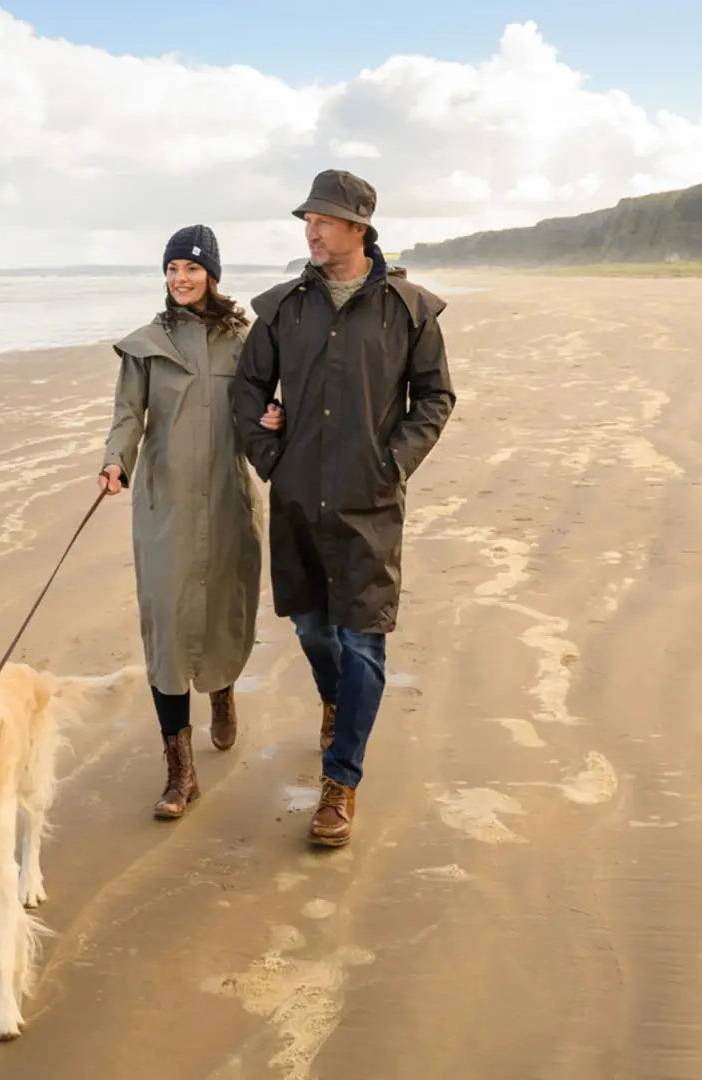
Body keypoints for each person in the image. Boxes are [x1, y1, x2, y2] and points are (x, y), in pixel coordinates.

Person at [232, 170, 455, 846]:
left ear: (359, 227)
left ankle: (340, 781)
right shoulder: (282, 308)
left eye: (325, 220)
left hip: (370, 506)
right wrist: (271, 459)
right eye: (309, 219)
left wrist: (395, 462)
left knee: (363, 643)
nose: (312, 230)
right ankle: (335, 704)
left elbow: (435, 397)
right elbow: (246, 390)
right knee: (313, 632)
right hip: (298, 500)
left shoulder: (409, 310)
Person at [99, 225, 283, 819]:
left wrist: (277, 416)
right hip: (165, 505)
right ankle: (180, 771)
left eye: (192, 268)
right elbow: (128, 416)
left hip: (229, 495)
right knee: (168, 625)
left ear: (212, 274)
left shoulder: (244, 340)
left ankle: (223, 692)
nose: (180, 278)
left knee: (227, 606)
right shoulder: (147, 344)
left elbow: (268, 400)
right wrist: (113, 462)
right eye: (173, 268)